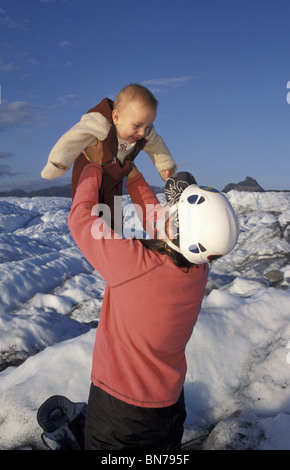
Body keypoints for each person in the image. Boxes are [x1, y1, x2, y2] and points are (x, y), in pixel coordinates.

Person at [68, 144, 239, 451]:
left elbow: (81, 220)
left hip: (119, 415)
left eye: (173, 211)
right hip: (169, 406)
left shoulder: (135, 264)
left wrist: (93, 167)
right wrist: (133, 175)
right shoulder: (199, 269)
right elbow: (164, 226)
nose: (167, 211)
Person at [41, 84, 177, 228]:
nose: (143, 132)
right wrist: (58, 163)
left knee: (113, 221)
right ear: (116, 117)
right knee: (89, 216)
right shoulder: (100, 123)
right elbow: (74, 137)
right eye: (137, 126)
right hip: (89, 177)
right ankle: (90, 239)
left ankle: (115, 240)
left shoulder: (144, 132)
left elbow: (156, 144)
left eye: (148, 126)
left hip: (114, 180)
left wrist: (165, 165)